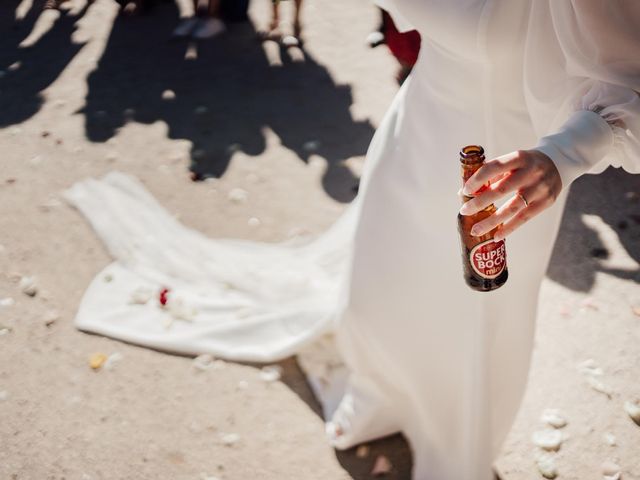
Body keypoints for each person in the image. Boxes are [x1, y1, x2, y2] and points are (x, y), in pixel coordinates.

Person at [65, 1, 640, 479]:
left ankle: (455, 450)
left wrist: (567, 152)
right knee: (381, 286)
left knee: (471, 321)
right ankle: (385, 396)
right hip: (414, 136)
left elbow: (631, 77)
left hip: (506, 175)